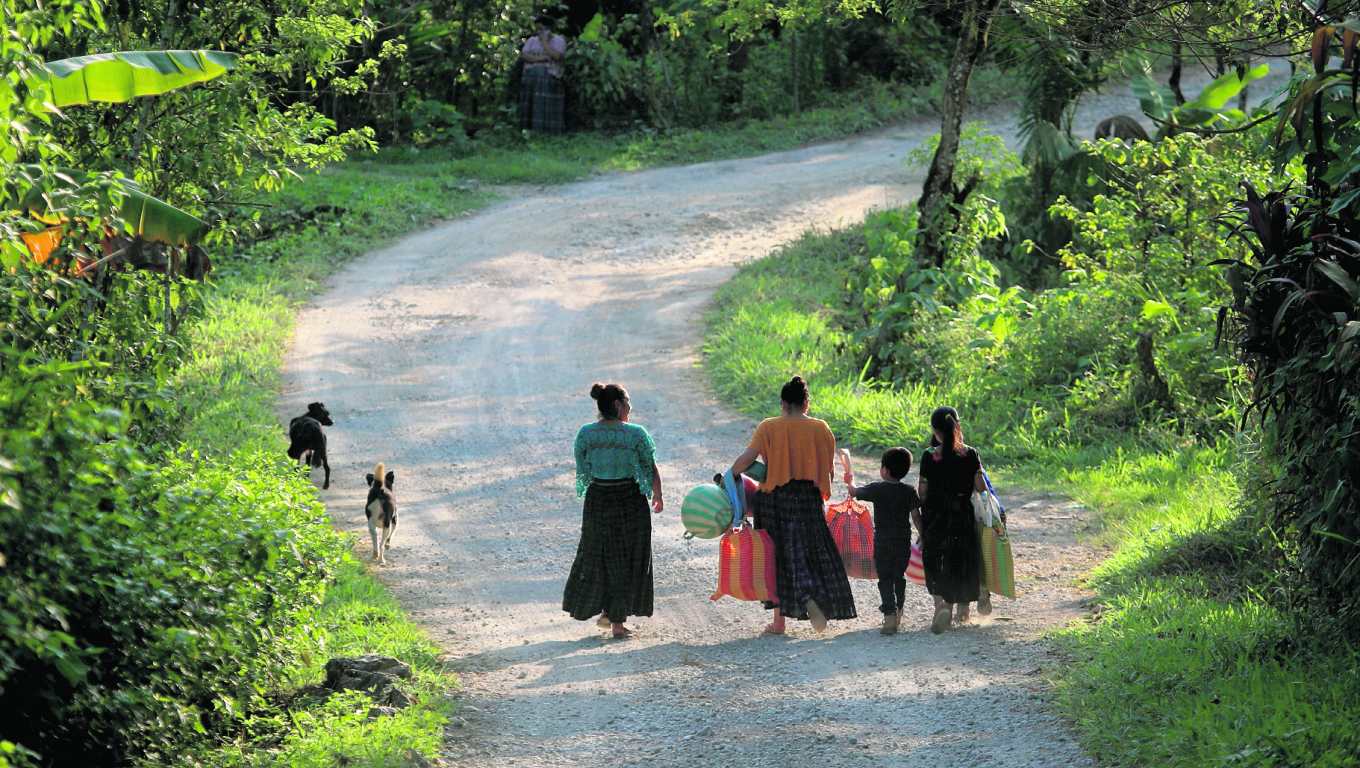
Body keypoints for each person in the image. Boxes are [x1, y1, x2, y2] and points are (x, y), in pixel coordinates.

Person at [730, 376, 855, 635]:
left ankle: (779, 622)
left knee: (775, 558)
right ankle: (813, 596)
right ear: (806, 403)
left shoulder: (769, 427)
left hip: (774, 501)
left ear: (783, 403)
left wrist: (731, 475)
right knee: (811, 553)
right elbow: (828, 473)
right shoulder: (821, 428)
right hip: (808, 498)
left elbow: (747, 459)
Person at [563, 383, 664, 639]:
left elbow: (582, 464)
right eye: (628, 402)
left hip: (598, 499)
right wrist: (658, 495)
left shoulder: (586, 434)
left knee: (600, 555)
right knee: (629, 557)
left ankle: (610, 613)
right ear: (619, 405)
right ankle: (616, 621)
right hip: (630, 499)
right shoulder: (635, 434)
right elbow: (649, 467)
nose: (630, 407)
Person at [917, 406, 987, 634]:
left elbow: (923, 491)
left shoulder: (930, 455)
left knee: (936, 558)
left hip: (936, 516)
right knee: (962, 557)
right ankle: (963, 611)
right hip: (962, 515)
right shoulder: (971, 453)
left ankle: (941, 605)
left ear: (934, 431)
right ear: (957, 426)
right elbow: (980, 487)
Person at [842, 447, 921, 635]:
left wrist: (849, 478)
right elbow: (916, 516)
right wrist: (923, 534)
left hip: (883, 542)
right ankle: (899, 610)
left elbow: (853, 492)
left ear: (884, 470)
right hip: (902, 542)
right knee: (898, 577)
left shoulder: (877, 489)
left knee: (885, 578)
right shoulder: (909, 491)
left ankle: (890, 616)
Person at [519, 15, 567, 133]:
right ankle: (528, 128)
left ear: (549, 28)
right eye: (537, 29)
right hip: (532, 73)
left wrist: (545, 42)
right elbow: (524, 56)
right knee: (534, 73)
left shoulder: (559, 40)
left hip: (550, 74)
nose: (539, 32)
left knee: (540, 73)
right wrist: (541, 59)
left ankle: (546, 129)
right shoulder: (532, 40)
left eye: (542, 29)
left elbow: (557, 56)